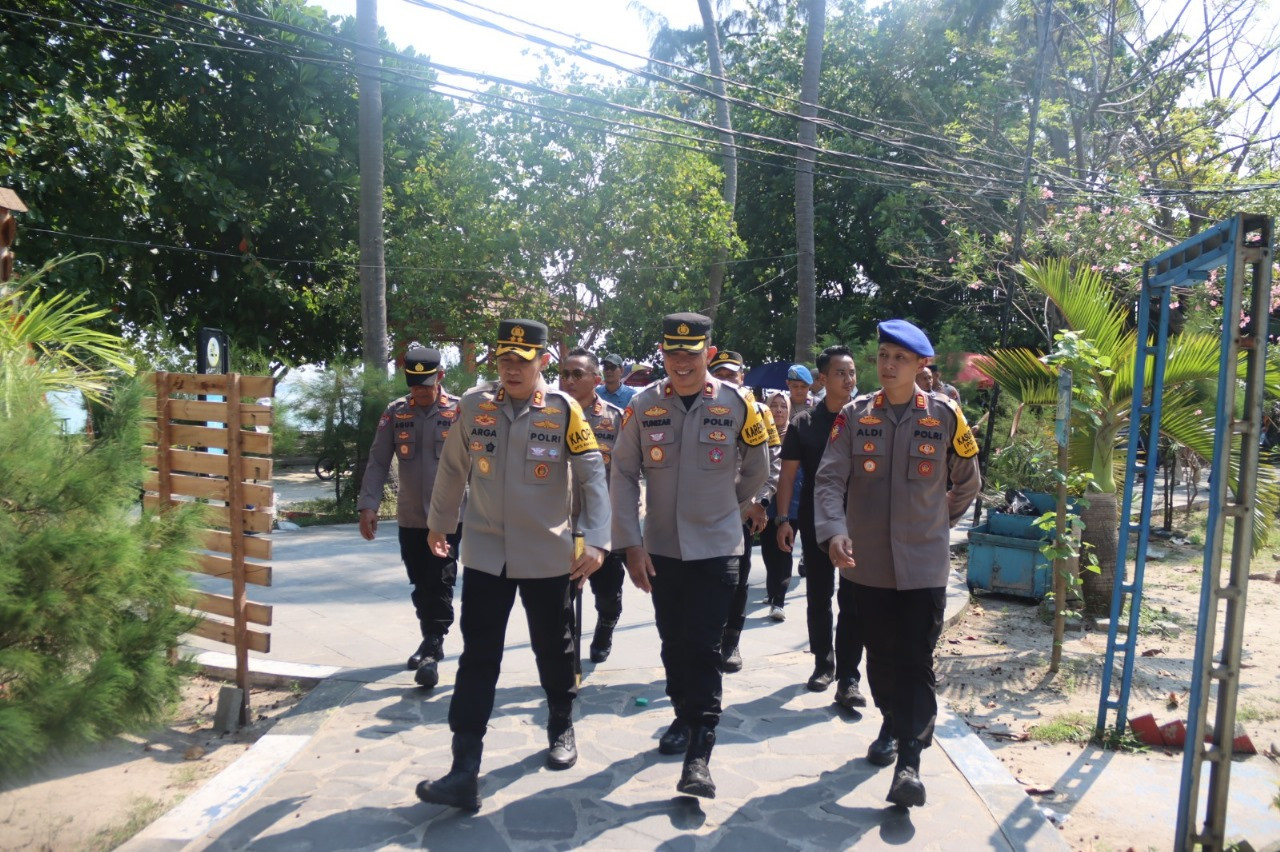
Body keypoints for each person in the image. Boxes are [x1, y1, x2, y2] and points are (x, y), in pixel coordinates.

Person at [415, 320, 611, 812]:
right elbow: (453, 467)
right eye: (505, 360)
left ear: (543, 361)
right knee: (478, 656)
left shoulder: (564, 410)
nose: (512, 369)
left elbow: (591, 476)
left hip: (547, 554)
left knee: (554, 646)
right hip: (485, 554)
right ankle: (464, 769)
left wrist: (597, 540)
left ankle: (561, 724)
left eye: (522, 361)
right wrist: (438, 524)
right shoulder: (474, 405)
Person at [814, 320, 981, 809]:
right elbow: (828, 480)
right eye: (884, 355)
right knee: (882, 661)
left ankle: (910, 759)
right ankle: (890, 721)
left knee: (915, 661)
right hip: (866, 565)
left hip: (924, 568)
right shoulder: (854, 415)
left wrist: (934, 524)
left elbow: (968, 482)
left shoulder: (947, 416)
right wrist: (833, 530)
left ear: (921, 366)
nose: (888, 365)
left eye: (899, 358)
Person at [611, 312, 770, 799]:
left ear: (710, 352)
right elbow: (622, 474)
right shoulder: (643, 405)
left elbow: (757, 470)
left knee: (704, 647)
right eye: (673, 352)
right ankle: (682, 715)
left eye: (691, 352)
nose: (681, 362)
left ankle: (700, 751)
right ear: (663, 353)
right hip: (660, 548)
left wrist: (731, 506)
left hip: (718, 547)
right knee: (673, 643)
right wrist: (629, 544)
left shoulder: (739, 404)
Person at [356, 345, 460, 689]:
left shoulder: (460, 412)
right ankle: (430, 638)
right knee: (420, 583)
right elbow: (378, 460)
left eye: (426, 384)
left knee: (440, 580)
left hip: (447, 518)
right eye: (413, 384)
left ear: (440, 378)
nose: (419, 391)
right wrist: (368, 505)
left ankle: (433, 646)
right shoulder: (396, 412)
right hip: (410, 518)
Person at [775, 345, 865, 708]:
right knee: (819, 596)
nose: (848, 379)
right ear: (822, 379)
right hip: (814, 521)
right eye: (840, 373)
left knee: (854, 599)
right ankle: (822, 664)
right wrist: (784, 519)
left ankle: (849, 677)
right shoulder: (804, 424)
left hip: (857, 521)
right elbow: (788, 476)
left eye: (852, 373)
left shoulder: (863, 419)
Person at [708, 349, 780, 673]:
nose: (725, 380)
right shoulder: (699, 407)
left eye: (731, 374)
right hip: (703, 510)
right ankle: (704, 641)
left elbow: (773, 462)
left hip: (742, 509)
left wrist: (759, 502)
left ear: (742, 375)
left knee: (737, 577)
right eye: (718, 374)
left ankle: (731, 641)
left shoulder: (760, 412)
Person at [558, 348, 627, 663]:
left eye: (577, 374)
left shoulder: (614, 418)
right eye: (564, 374)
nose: (569, 380)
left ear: (596, 379)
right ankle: (566, 651)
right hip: (560, 523)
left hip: (601, 525)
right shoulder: (549, 414)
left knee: (608, 596)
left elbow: (627, 473)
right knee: (562, 597)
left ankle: (606, 627)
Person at [759, 391, 797, 620]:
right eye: (774, 406)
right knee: (768, 549)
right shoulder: (759, 434)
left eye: (784, 406)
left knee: (783, 550)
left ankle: (778, 600)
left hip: (791, 503)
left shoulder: (795, 433)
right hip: (765, 501)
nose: (779, 410)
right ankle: (772, 589)